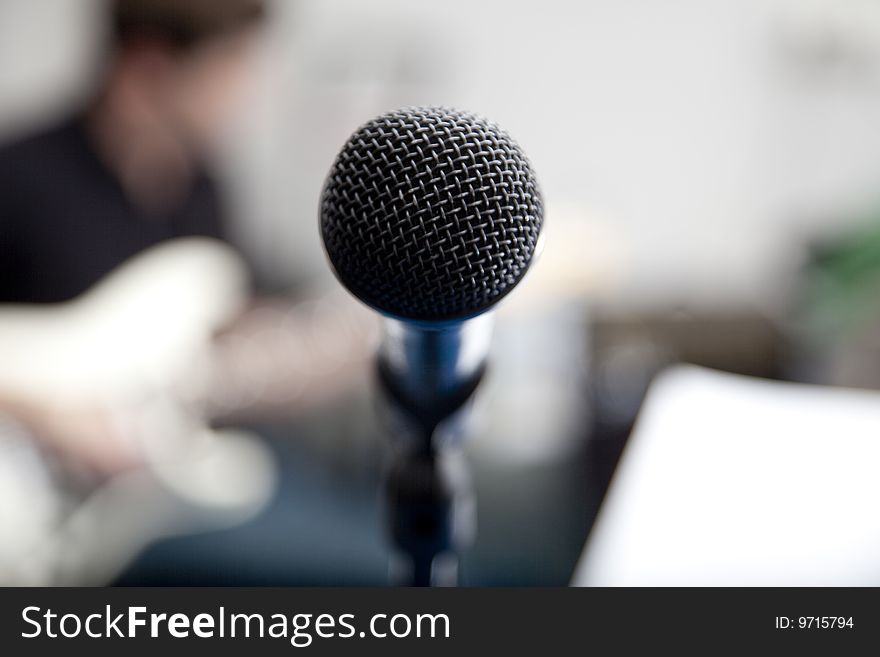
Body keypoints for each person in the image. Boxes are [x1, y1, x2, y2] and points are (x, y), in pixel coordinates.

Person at [0, 0, 372, 475]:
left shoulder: (204, 189)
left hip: (146, 493)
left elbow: (225, 336)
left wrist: (332, 349)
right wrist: (51, 417)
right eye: (231, 66)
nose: (249, 92)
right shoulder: (17, 178)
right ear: (148, 69)